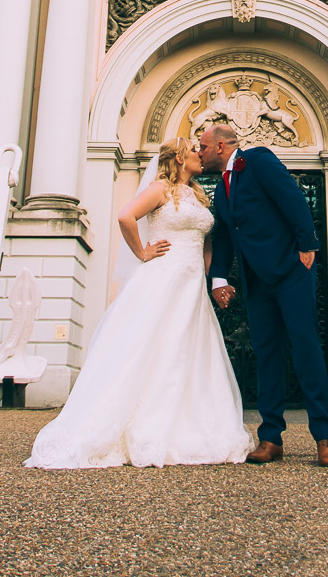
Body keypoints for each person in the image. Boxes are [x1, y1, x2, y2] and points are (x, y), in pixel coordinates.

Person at [24, 135, 254, 469]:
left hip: (192, 286)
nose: (199, 155)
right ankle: (144, 425)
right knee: (156, 346)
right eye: (193, 151)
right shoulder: (160, 190)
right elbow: (125, 216)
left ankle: (189, 423)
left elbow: (204, 243)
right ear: (178, 159)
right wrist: (143, 253)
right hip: (164, 278)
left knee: (189, 350)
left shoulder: (198, 195)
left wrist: (215, 279)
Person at [199, 118, 328, 467]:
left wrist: (308, 244)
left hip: (291, 271)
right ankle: (270, 437)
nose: (199, 153)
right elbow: (226, 238)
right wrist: (219, 279)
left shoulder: (258, 159)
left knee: (306, 349)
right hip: (256, 282)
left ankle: (325, 437)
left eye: (202, 146)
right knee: (266, 355)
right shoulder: (222, 189)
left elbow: (291, 197)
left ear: (220, 146)